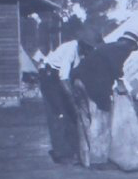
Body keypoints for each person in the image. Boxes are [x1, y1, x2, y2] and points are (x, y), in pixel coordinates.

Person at [72, 30, 138, 168]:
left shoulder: (107, 47)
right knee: (100, 120)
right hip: (92, 85)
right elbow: (116, 67)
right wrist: (121, 85)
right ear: (131, 44)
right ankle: (98, 160)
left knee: (84, 120)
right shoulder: (123, 49)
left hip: (77, 80)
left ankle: (85, 159)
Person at [38, 30, 102, 164]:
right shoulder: (71, 50)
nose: (91, 51)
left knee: (72, 116)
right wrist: (72, 100)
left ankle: (74, 149)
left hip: (62, 79)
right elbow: (63, 78)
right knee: (59, 113)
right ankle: (61, 154)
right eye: (90, 48)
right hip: (50, 77)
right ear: (83, 45)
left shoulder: (84, 54)